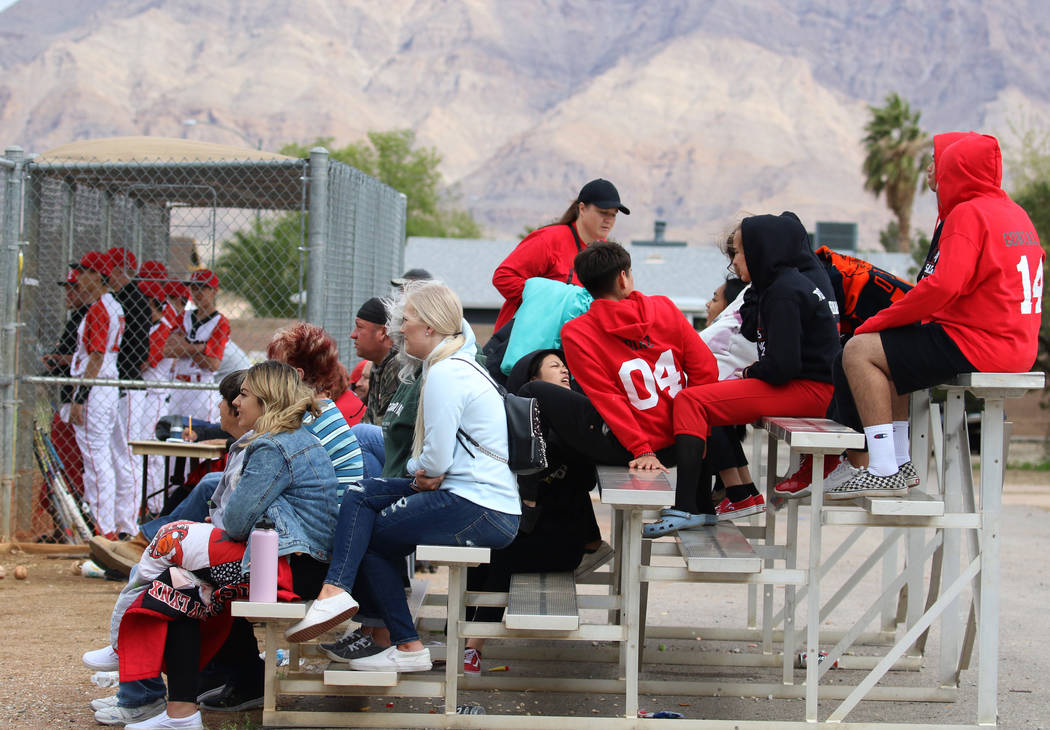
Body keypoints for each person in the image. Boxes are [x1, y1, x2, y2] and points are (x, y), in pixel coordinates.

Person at [283, 282, 520, 675]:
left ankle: (402, 642)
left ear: (429, 326)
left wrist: (416, 470)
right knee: (361, 495)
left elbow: (436, 463)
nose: (399, 329)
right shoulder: (454, 362)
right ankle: (337, 594)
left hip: (479, 506)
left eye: (406, 320)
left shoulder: (446, 372)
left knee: (371, 537)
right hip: (478, 499)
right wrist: (422, 471)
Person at [113, 361, 340, 730]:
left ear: (266, 401)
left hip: (289, 568)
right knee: (180, 584)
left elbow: (234, 522)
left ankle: (158, 691)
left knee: (175, 569)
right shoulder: (294, 438)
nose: (236, 402)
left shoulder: (271, 446)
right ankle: (179, 709)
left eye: (244, 394)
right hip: (297, 563)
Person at [829, 132, 1044, 500]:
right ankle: (898, 462)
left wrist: (879, 321)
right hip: (1017, 345)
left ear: (956, 170)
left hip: (981, 342)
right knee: (890, 351)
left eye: (938, 162)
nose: (932, 169)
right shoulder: (1014, 212)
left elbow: (942, 287)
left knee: (859, 351)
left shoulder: (968, 213)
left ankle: (883, 468)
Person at [515, 242, 719, 536]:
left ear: (586, 285)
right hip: (681, 444)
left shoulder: (577, 331)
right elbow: (706, 371)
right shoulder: (664, 307)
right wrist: (696, 433)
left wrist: (642, 448)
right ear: (624, 277)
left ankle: (527, 500)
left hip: (632, 447)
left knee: (531, 391)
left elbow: (606, 397)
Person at [657, 212, 840, 534]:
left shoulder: (783, 291)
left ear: (761, 251)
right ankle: (707, 503)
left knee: (691, 401)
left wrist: (748, 373)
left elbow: (783, 366)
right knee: (702, 397)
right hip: (809, 386)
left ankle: (687, 508)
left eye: (740, 251)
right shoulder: (780, 285)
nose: (735, 260)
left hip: (812, 391)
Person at [86, 370, 247, 726]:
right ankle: (140, 688)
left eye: (232, 399)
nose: (225, 405)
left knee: (163, 584)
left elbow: (239, 522)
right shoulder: (246, 445)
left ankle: (140, 692)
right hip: (239, 552)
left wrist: (209, 528)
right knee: (162, 571)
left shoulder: (259, 448)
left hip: (249, 559)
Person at [461, 348, 606, 675]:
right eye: (555, 366)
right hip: (523, 528)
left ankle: (473, 646)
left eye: (565, 367)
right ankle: (459, 636)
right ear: (533, 381)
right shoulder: (511, 425)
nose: (565, 371)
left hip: (560, 540)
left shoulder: (578, 423)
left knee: (502, 553)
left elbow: (586, 482)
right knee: (481, 549)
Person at [492, 178, 629, 330]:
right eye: (603, 212)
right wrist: (548, 305)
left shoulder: (605, 252)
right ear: (582, 209)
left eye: (613, 215)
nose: (608, 220)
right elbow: (503, 277)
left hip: (568, 339)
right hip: (523, 337)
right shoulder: (548, 239)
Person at [68, 250, 139, 537]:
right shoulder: (112, 305)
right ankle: (110, 525)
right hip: (106, 385)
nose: (79, 277)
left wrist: (80, 398)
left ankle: (103, 529)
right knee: (103, 457)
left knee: (95, 460)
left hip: (96, 387)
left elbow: (96, 356)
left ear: (98, 276)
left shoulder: (99, 307)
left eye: (85, 271)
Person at [166, 269, 229, 422]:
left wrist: (184, 344)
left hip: (200, 387)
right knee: (172, 429)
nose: (197, 293)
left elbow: (212, 363)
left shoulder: (220, 322)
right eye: (193, 288)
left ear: (214, 291)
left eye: (202, 288)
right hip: (178, 384)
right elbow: (167, 349)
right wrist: (200, 347)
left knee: (196, 430)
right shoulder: (184, 316)